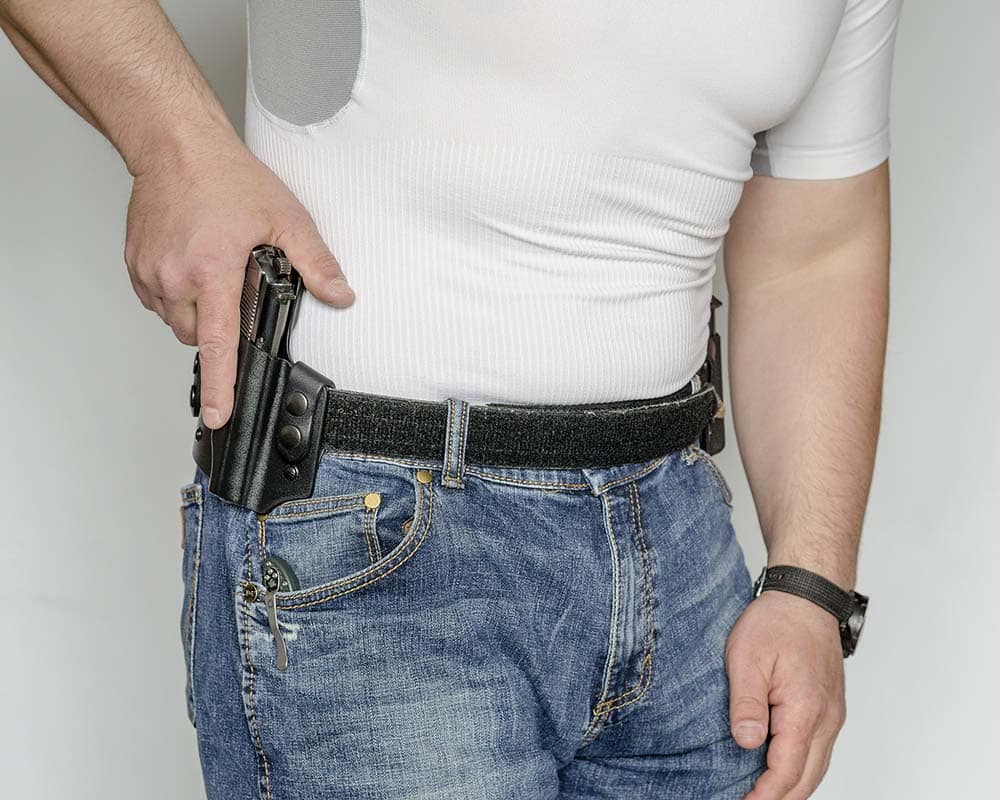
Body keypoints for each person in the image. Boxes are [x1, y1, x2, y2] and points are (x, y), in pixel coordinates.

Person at [0, 1, 901, 798]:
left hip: (683, 555)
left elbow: (816, 249)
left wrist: (812, 586)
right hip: (373, 538)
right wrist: (174, 147)